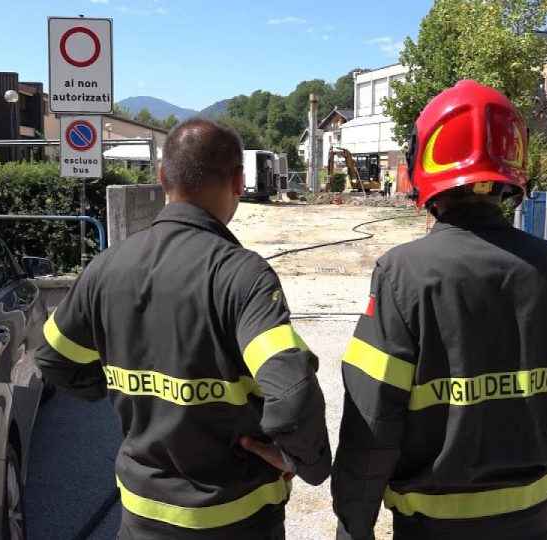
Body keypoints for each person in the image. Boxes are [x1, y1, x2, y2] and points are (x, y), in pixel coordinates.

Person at [331, 80, 547, 540]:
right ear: (511, 168)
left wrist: (353, 524)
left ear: (426, 164)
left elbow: (372, 416)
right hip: (537, 521)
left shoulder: (404, 274)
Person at [35, 118, 331, 540]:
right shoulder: (243, 276)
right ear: (239, 181)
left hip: (142, 521)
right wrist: (305, 462)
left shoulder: (107, 268)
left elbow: (52, 358)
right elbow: (291, 389)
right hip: (239, 521)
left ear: (161, 178)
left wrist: (127, 390)